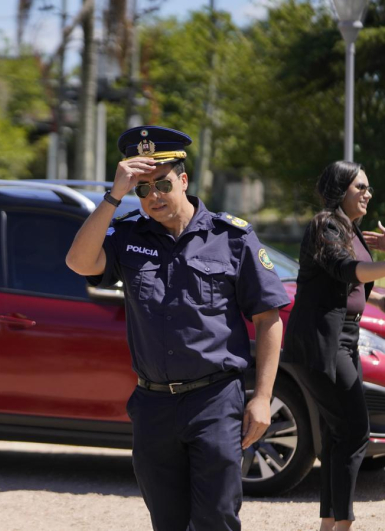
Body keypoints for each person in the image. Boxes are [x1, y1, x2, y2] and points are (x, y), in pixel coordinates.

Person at [66, 126, 290, 530]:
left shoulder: (231, 238)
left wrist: (262, 397)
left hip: (214, 400)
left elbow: (269, 319)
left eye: (163, 184)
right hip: (153, 406)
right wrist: (113, 197)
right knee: (167, 521)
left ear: (183, 180)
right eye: (143, 189)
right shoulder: (128, 235)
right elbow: (79, 262)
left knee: (216, 518)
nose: (154, 196)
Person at [284, 161, 380, 531]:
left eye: (368, 187)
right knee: (354, 433)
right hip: (322, 342)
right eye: (360, 187)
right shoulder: (325, 225)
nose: (368, 193)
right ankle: (342, 525)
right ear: (340, 190)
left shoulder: (350, 229)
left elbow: (357, 290)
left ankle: (330, 523)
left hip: (346, 340)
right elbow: (345, 270)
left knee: (339, 435)